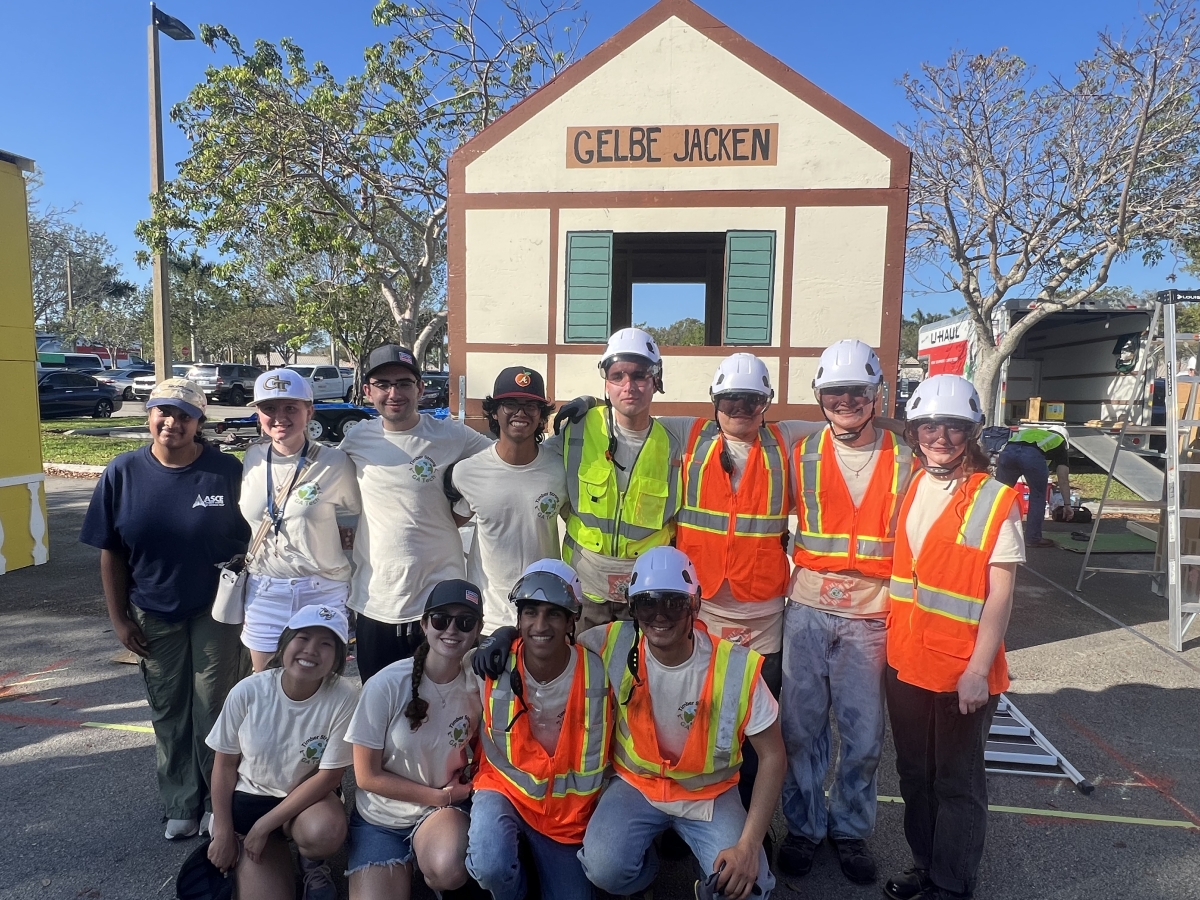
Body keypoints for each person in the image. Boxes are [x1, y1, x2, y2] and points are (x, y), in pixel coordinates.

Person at [80, 378, 250, 840]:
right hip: (153, 609)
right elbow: (111, 552)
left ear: (199, 422)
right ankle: (181, 801)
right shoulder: (122, 472)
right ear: (149, 414)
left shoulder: (225, 471)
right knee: (169, 708)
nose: (173, 422)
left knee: (215, 706)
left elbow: (258, 534)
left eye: (185, 415)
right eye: (164, 412)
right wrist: (118, 618)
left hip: (217, 610)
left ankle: (218, 802)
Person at [777, 339, 915, 885]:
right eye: (835, 392)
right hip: (808, 609)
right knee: (799, 729)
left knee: (863, 736)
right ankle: (805, 827)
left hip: (871, 613)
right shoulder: (801, 453)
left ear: (876, 393)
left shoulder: (906, 457)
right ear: (819, 396)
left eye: (858, 391)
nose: (846, 401)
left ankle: (851, 830)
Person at [883, 374, 1024, 900]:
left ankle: (952, 883)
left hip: (961, 670)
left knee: (957, 784)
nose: (940, 437)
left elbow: (1000, 596)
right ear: (915, 432)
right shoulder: (913, 484)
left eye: (954, 428)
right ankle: (925, 865)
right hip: (906, 661)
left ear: (972, 434)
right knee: (914, 776)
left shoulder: (995, 500)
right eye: (929, 427)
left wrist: (977, 671)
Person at [576, 547, 784, 900]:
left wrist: (749, 846)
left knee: (749, 889)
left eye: (673, 603)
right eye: (647, 604)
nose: (660, 616)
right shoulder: (609, 644)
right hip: (638, 786)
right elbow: (551, 647)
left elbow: (774, 756)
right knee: (603, 868)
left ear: (695, 604)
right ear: (632, 608)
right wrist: (505, 638)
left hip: (710, 796)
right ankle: (646, 875)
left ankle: (712, 884)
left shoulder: (735, 667)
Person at [673, 352, 795, 811]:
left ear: (766, 403)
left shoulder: (785, 441)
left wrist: (908, 425)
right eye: (730, 401)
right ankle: (691, 810)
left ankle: (748, 819)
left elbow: (848, 421)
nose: (739, 409)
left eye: (751, 401)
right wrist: (589, 404)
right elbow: (634, 416)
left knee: (754, 725)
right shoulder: (689, 435)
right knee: (697, 718)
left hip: (763, 617)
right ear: (714, 402)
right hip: (701, 609)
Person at [339, 344, 492, 680]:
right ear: (367, 391)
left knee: (442, 700)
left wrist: (463, 509)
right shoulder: (357, 439)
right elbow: (326, 487)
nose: (394, 393)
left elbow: (499, 464)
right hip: (377, 599)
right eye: (383, 384)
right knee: (379, 701)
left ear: (420, 388)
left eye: (404, 383)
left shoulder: (450, 434)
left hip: (440, 603)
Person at [466, 559, 611, 900]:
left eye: (554, 614)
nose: (540, 625)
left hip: (566, 817)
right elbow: (437, 669)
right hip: (504, 790)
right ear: (518, 619)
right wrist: (498, 635)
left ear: (572, 621)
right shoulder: (490, 663)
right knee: (489, 864)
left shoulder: (601, 663)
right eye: (530, 612)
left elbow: (650, 640)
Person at [206, 605, 359, 900]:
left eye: (326, 644)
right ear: (285, 643)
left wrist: (264, 826)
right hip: (248, 802)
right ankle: (256, 852)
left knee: (325, 831)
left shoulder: (344, 696)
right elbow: (223, 766)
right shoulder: (248, 691)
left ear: (339, 657)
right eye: (303, 638)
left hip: (304, 803)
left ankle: (311, 861)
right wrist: (224, 831)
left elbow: (329, 777)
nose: (311, 650)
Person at [344, 579, 484, 899]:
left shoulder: (477, 684)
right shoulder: (386, 685)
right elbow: (366, 776)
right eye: (440, 619)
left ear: (478, 629)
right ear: (424, 624)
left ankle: (431, 868)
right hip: (381, 818)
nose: (452, 630)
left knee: (447, 867)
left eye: (465, 622)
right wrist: (440, 797)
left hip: (440, 814)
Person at [554, 328, 684, 628]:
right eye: (617, 376)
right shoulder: (576, 429)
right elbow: (530, 462)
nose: (629, 386)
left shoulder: (674, 444)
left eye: (640, 375)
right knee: (583, 659)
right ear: (606, 382)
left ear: (656, 381)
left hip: (644, 592)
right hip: (585, 589)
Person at [239, 368, 362, 671]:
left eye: (291, 408)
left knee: (321, 684)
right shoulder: (253, 458)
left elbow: (359, 514)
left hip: (322, 588)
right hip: (266, 590)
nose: (279, 417)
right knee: (265, 685)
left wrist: (341, 537)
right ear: (258, 414)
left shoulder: (335, 462)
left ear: (310, 412)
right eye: (269, 408)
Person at [450, 367, 569, 633]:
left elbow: (580, 526)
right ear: (494, 411)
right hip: (489, 618)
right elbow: (444, 527)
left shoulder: (560, 469)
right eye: (510, 404)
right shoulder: (468, 472)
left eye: (531, 406)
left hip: (544, 612)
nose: (521, 413)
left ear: (541, 415)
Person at [994, 424, 1072, 547]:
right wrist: (1067, 505)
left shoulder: (1031, 432)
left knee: (999, 494)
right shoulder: (1059, 442)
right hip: (1032, 455)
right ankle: (1033, 538)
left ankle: (991, 532)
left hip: (1007, 453)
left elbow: (1011, 453)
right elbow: (1063, 479)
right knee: (1037, 497)